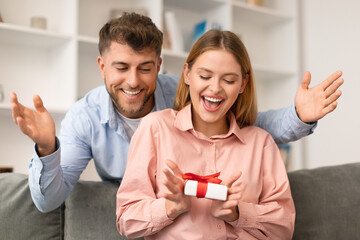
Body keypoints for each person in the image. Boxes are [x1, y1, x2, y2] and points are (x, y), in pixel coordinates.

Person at [10, 12, 343, 213]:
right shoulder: (84, 117)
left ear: (159, 65)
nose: (133, 81)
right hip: (148, 211)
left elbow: (254, 125)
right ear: (101, 66)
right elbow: (48, 201)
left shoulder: (184, 93)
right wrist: (46, 148)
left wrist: (300, 114)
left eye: (144, 68)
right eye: (121, 67)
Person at [116, 29, 295, 239]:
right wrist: (170, 207)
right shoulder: (155, 129)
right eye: (205, 76)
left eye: (228, 80)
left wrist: (237, 213)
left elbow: (284, 227)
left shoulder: (260, 143)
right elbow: (126, 220)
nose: (215, 88)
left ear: (242, 85)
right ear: (188, 74)